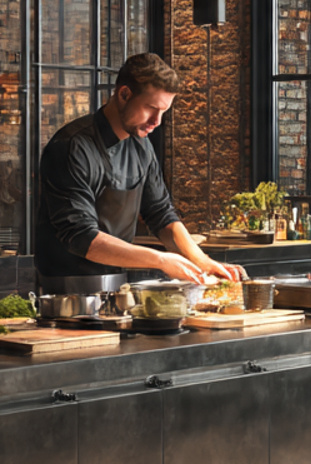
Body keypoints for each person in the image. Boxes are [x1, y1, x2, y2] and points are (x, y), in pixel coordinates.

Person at [33, 52, 243, 290]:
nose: (157, 121)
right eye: (151, 108)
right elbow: (81, 237)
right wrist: (161, 260)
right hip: (64, 291)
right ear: (124, 94)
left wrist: (203, 262)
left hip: (119, 286)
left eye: (164, 111)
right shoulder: (72, 146)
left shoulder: (142, 146)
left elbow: (161, 214)